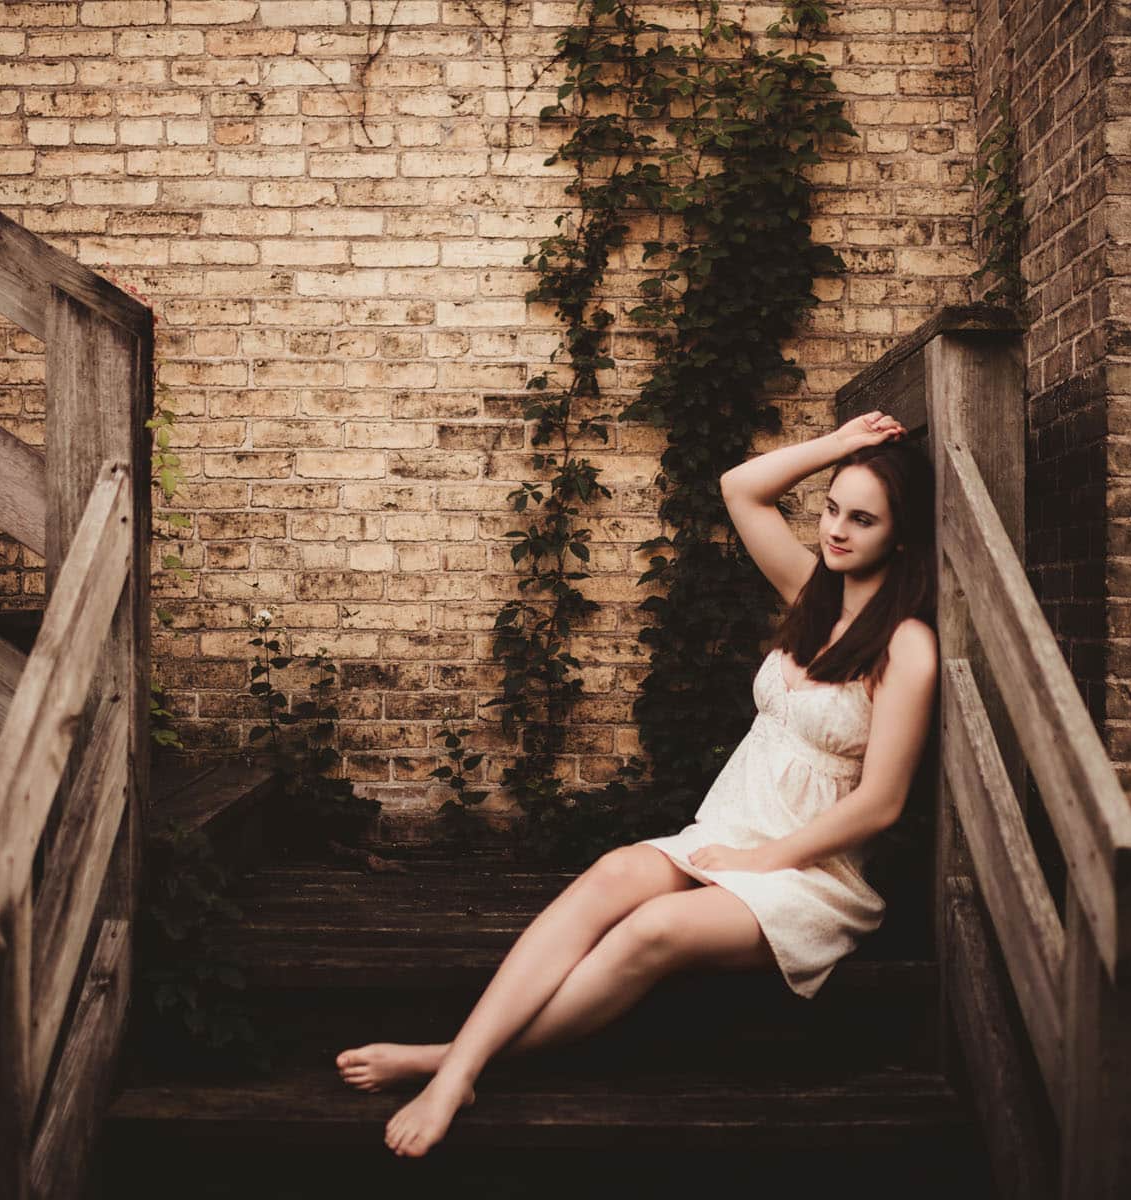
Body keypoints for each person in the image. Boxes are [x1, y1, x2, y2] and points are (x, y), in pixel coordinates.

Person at [336, 409, 940, 1157]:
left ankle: (446, 1062)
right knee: (611, 873)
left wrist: (760, 862)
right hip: (726, 835)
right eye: (831, 509)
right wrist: (845, 446)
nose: (837, 530)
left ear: (902, 537)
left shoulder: (906, 645)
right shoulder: (811, 592)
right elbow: (740, 488)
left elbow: (881, 803)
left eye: (863, 519)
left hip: (807, 875)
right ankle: (460, 1066)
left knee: (653, 929)